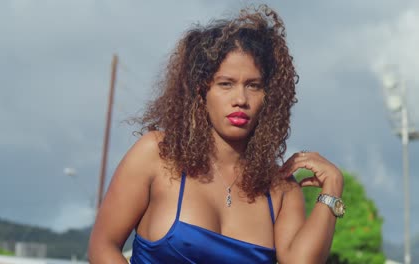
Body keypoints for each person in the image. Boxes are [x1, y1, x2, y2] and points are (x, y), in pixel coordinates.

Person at [88, 4, 345, 264]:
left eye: (253, 86)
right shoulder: (158, 154)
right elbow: (103, 247)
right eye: (226, 84)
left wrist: (333, 187)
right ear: (201, 91)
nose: (241, 99)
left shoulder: (281, 189)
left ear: (269, 97)